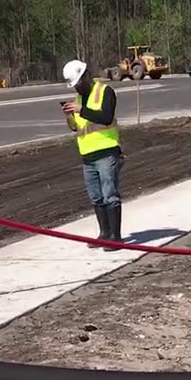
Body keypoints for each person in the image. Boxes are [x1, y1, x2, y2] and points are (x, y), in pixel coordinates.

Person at [61, 59, 123, 250]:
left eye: (79, 83)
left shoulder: (105, 92)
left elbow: (105, 117)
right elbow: (75, 128)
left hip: (107, 152)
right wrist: (69, 116)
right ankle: (103, 234)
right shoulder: (78, 100)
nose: (77, 88)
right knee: (96, 197)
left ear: (86, 76)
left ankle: (115, 237)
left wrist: (81, 110)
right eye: (75, 86)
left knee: (109, 195)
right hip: (87, 156)